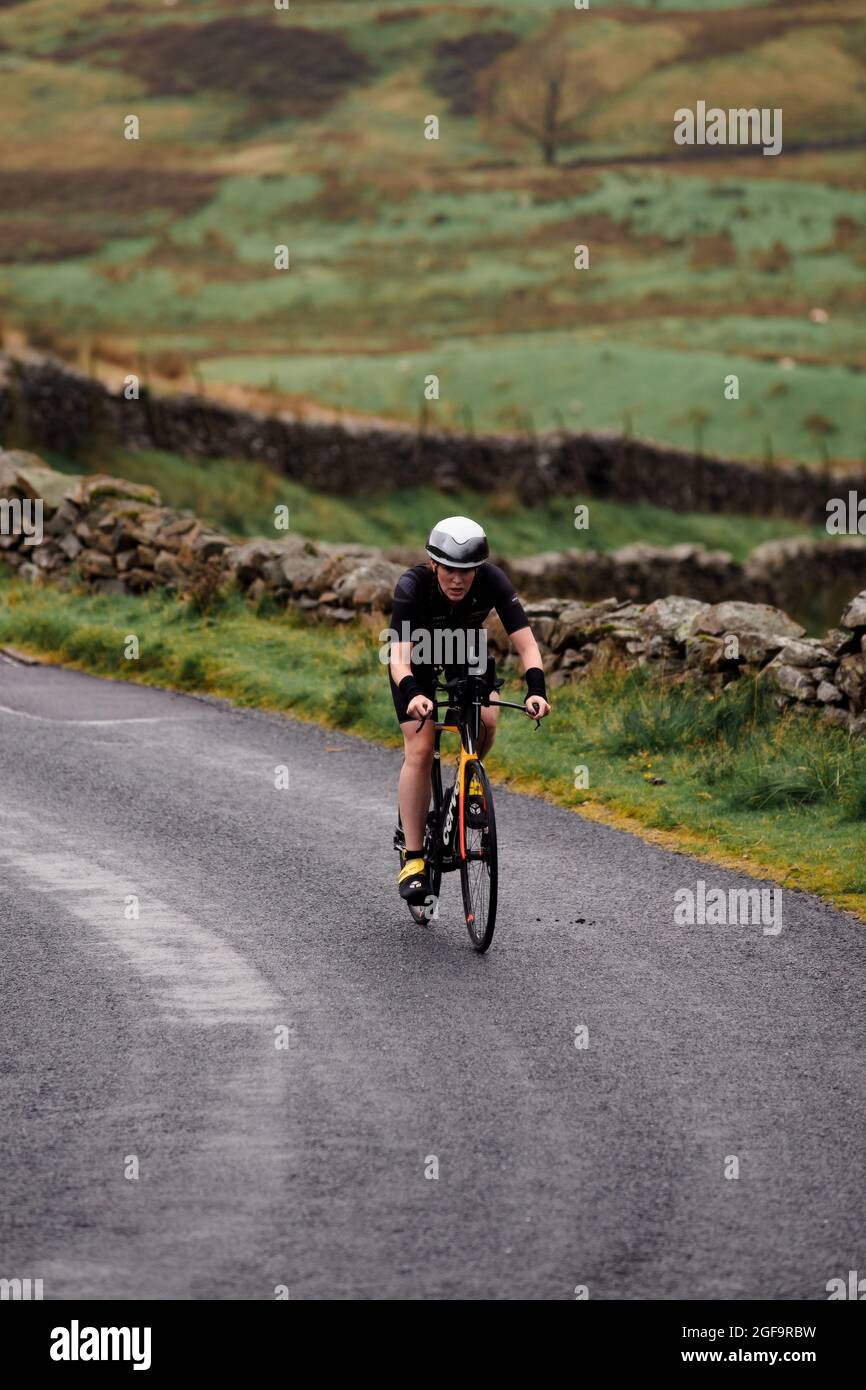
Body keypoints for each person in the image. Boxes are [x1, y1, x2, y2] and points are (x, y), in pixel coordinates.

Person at [388, 515, 551, 904]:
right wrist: (413, 693)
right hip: (418, 657)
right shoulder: (412, 587)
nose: (457, 580)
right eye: (449, 570)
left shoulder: (494, 581)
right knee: (422, 747)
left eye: (467, 571)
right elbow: (398, 658)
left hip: (466, 648)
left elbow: (527, 645)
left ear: (479, 569)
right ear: (434, 565)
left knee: (488, 720)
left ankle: (470, 780)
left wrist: (536, 690)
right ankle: (413, 859)